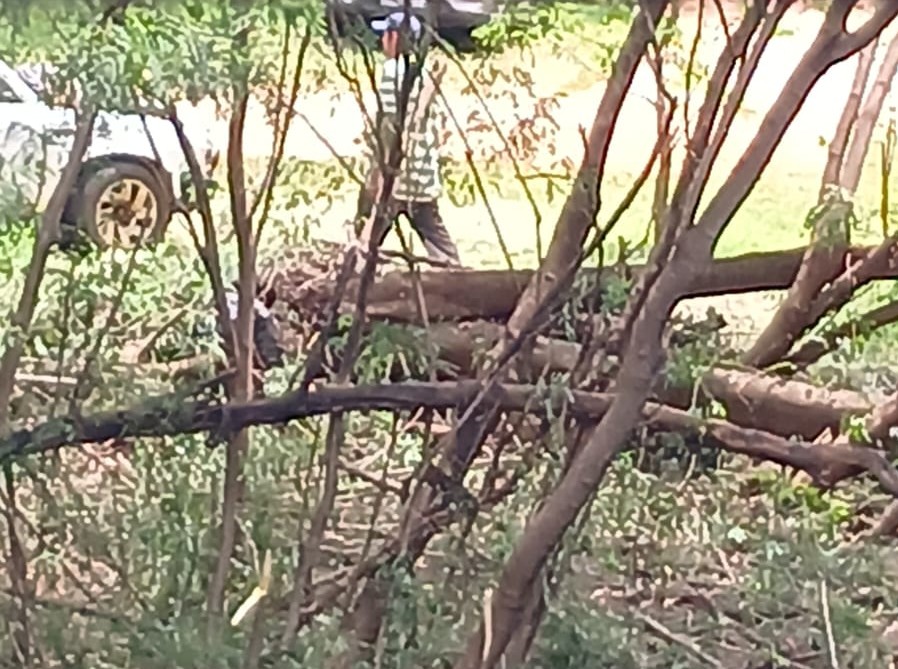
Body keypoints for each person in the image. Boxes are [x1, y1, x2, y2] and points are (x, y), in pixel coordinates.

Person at [358, 11, 462, 267]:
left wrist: (379, 172)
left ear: (394, 38)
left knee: (366, 236)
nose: (382, 41)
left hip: (394, 175)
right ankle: (455, 272)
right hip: (421, 177)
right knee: (438, 242)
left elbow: (389, 126)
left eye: (385, 35)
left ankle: (357, 272)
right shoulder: (422, 73)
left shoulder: (391, 72)